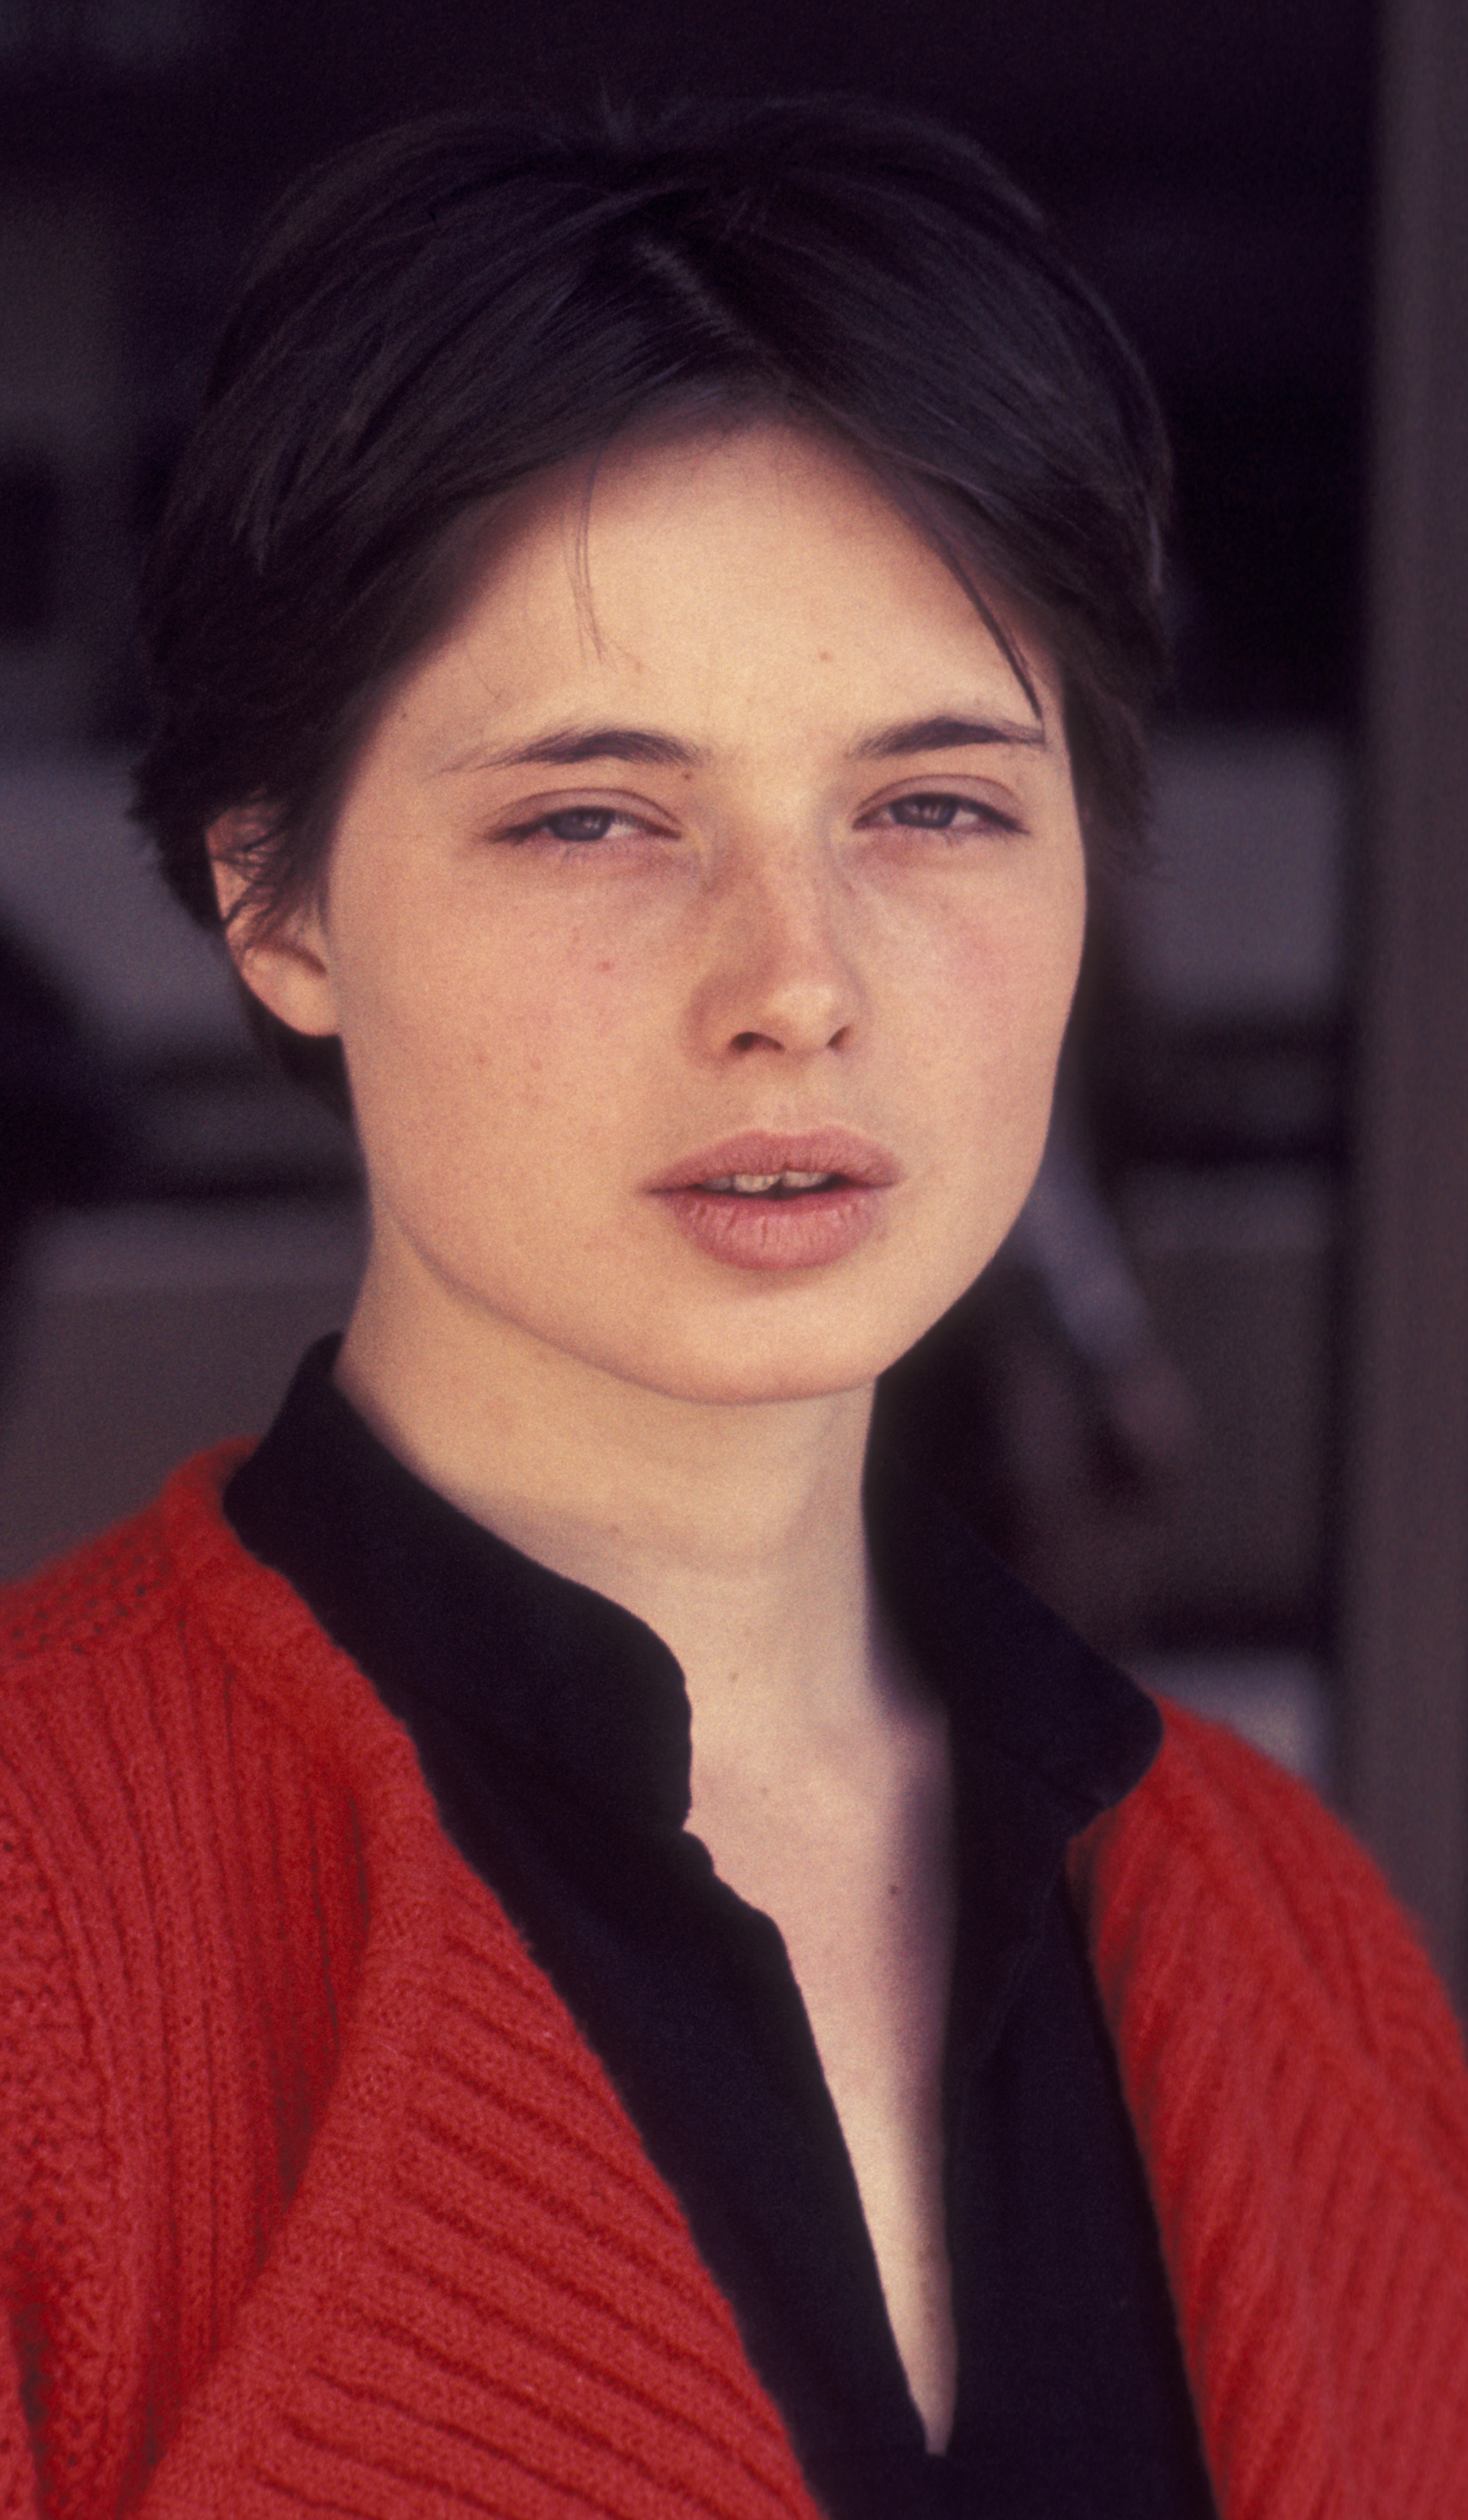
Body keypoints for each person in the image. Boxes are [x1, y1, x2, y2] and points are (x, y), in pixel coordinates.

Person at [3, 98, 1466, 2520]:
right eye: (595, 815)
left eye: (933, 807)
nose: (795, 985)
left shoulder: (1287, 1941)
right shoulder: (51, 1940)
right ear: (271, 897)